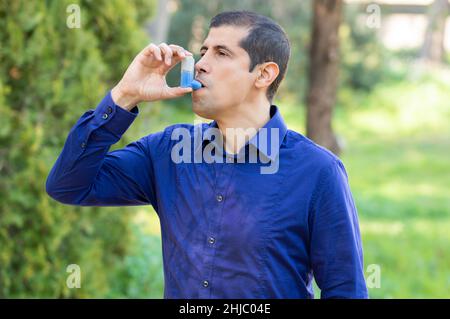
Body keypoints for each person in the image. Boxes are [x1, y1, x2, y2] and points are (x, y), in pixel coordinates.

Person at [46, 10, 368, 299]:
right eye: (202, 51)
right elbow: (68, 185)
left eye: (221, 53)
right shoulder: (168, 151)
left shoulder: (317, 172)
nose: (200, 63)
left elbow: (346, 290)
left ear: (264, 74)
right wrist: (124, 95)